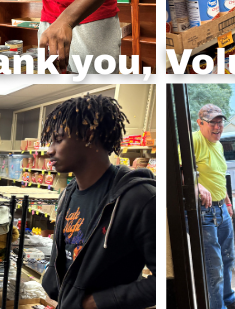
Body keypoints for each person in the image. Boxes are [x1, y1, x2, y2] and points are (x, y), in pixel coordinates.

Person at [41, 94, 156, 309]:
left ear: (89, 136)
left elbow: (165, 283)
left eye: (58, 140)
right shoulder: (68, 193)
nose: (49, 151)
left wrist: (96, 302)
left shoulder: (140, 199)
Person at [190, 104, 235, 309]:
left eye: (220, 122)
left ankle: (228, 300)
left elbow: (219, 177)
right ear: (200, 123)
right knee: (214, 267)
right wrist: (197, 185)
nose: (217, 127)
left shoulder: (219, 145)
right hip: (205, 212)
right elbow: (176, 171)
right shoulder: (194, 140)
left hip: (222, 210)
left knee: (229, 259)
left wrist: (228, 202)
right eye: (212, 122)